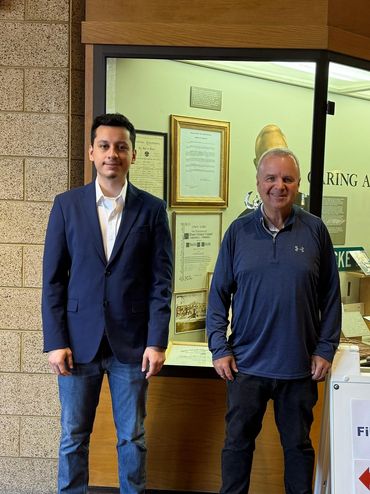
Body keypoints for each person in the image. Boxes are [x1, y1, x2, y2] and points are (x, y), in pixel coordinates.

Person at [42, 113, 173, 494]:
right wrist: (54, 341)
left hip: (131, 345)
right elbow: (53, 280)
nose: (112, 153)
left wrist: (156, 341)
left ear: (132, 154)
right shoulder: (67, 206)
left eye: (121, 147)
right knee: (73, 436)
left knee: (132, 437)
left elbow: (160, 282)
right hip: (77, 345)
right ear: (92, 153)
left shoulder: (151, 210)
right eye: (104, 146)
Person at [206, 147, 341, 494]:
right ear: (258, 181)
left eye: (287, 179)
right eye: (271, 178)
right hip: (245, 368)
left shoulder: (315, 231)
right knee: (236, 448)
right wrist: (219, 348)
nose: (279, 185)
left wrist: (325, 349)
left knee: (297, 450)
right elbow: (218, 295)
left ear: (297, 184)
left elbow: (330, 296)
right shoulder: (238, 233)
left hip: (298, 369)